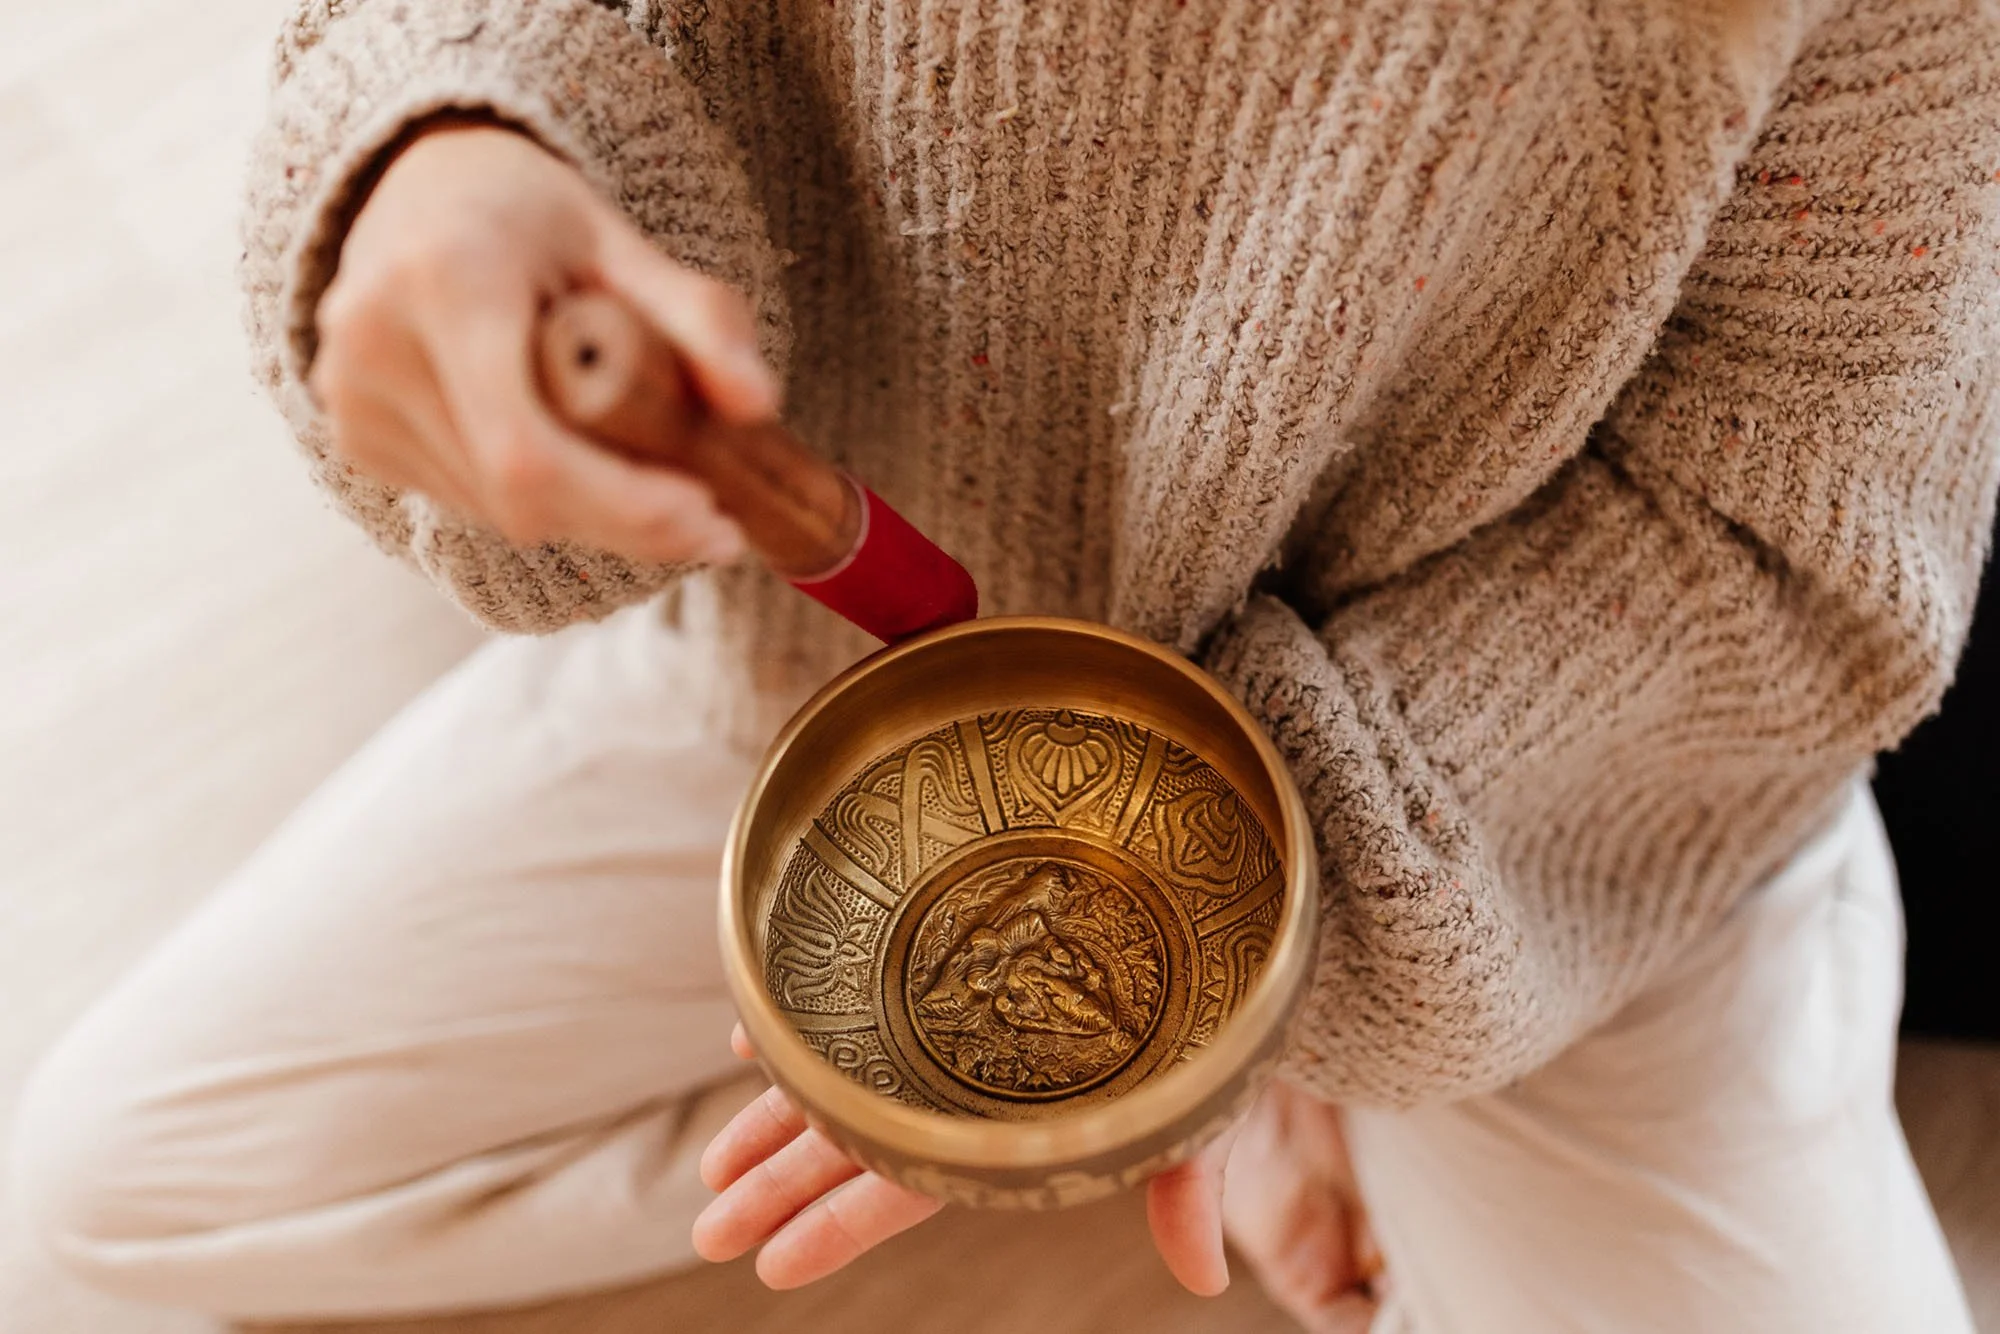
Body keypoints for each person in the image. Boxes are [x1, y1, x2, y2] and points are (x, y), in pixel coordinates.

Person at [11, 0, 1999, 1329]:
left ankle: (1306, 1097)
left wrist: (1293, 950)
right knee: (104, 1191)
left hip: (1554, 813)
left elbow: (1777, 528)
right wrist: (446, 147)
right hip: (850, 664)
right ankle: (1194, 1123)